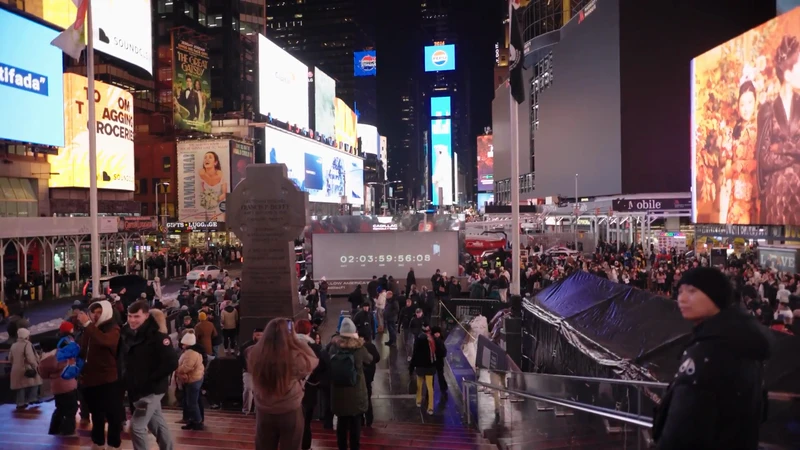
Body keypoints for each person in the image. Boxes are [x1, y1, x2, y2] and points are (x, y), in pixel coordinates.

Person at [652, 267, 772, 450]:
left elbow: (682, 426)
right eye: (680, 291)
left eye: (692, 291)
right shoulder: (742, 341)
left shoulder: (707, 352)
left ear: (715, 296)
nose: (682, 298)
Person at [247, 318, 318, 450]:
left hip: (264, 410)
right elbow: (313, 361)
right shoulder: (295, 357)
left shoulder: (254, 353)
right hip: (289, 410)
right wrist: (296, 341)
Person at [122, 300, 179, 449]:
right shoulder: (133, 335)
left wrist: (150, 379)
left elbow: (172, 362)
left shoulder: (158, 337)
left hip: (150, 390)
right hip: (139, 390)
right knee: (157, 426)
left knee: (136, 426)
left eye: (136, 316)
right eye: (130, 316)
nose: (132, 320)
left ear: (146, 316)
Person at [77, 299, 124, 450]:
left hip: (108, 380)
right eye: (93, 312)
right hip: (90, 380)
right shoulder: (89, 329)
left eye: (99, 312)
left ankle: (113, 444)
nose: (96, 316)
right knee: (96, 415)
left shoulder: (112, 328)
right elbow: (85, 350)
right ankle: (98, 443)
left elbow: (106, 342)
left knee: (112, 415)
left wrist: (88, 325)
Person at [329, 318, 372, 450]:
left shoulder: (333, 348)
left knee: (341, 424)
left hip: (338, 393)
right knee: (355, 424)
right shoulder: (359, 348)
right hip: (356, 394)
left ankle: (341, 447)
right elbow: (370, 360)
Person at [39, 322, 80, 435]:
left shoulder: (44, 359)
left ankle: (55, 428)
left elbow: (43, 374)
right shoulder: (60, 355)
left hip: (56, 387)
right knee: (72, 408)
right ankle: (68, 430)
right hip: (67, 384)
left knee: (60, 408)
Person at [295, 319, 329, 450]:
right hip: (309, 388)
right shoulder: (316, 347)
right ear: (309, 331)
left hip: (289, 390)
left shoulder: (286, 345)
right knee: (306, 422)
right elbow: (325, 365)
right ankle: (305, 447)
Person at [176, 331, 205, 431]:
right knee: (192, 402)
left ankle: (197, 422)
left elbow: (186, 367)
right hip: (195, 378)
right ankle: (193, 421)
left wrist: (177, 368)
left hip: (192, 380)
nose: (182, 344)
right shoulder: (194, 351)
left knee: (192, 403)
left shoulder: (191, 353)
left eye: (183, 343)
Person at [9, 327, 42, 410]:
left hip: (15, 369)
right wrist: (36, 366)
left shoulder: (14, 345)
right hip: (26, 368)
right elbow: (30, 357)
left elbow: (10, 358)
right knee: (36, 381)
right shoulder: (27, 344)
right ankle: (32, 398)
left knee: (20, 386)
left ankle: (20, 403)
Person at [409, 324, 437, 415]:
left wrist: (411, 367)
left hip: (420, 367)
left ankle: (418, 401)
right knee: (430, 387)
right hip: (430, 367)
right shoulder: (432, 340)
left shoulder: (418, 339)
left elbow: (415, 354)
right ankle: (430, 407)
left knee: (419, 384)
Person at [358, 330, 381, 428]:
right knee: (368, 398)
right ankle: (369, 419)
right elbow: (377, 358)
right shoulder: (372, 346)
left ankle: (361, 420)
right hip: (369, 376)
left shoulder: (360, 348)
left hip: (361, 377)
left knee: (360, 399)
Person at [239, 327, 263, 414]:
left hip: (261, 372)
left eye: (260, 335)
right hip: (248, 371)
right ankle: (246, 410)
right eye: (257, 335)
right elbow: (240, 359)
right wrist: (247, 368)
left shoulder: (267, 346)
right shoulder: (246, 346)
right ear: (253, 335)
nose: (259, 337)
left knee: (259, 392)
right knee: (248, 389)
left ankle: (258, 410)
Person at [431, 326, 448, 394]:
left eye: (438, 333)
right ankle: (443, 387)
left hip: (438, 361)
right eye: (436, 333)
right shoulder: (437, 341)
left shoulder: (439, 340)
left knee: (439, 375)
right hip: (436, 360)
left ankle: (443, 387)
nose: (437, 334)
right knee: (437, 375)